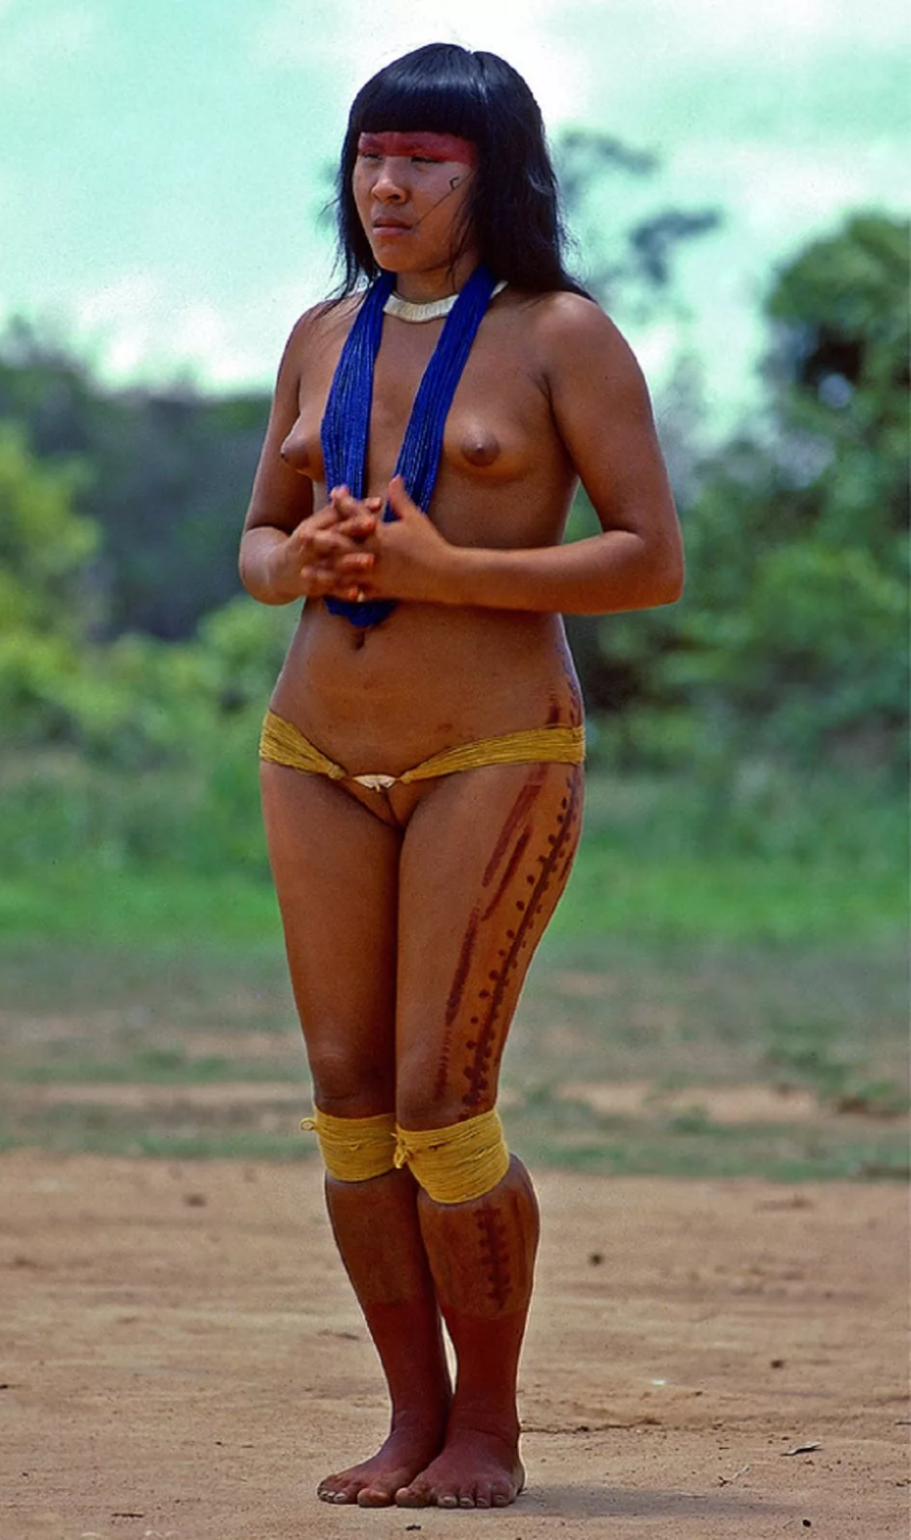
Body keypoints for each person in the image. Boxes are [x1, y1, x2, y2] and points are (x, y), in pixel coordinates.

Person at [239, 42, 683, 1511]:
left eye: (425, 159)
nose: (389, 184)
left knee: (442, 1094)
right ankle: (409, 1421)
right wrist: (293, 558)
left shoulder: (563, 334)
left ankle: (487, 1430)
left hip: (492, 751)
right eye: (372, 154)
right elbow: (256, 544)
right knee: (351, 1094)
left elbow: (647, 559)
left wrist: (451, 567)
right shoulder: (320, 333)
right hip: (314, 753)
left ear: (494, 177)